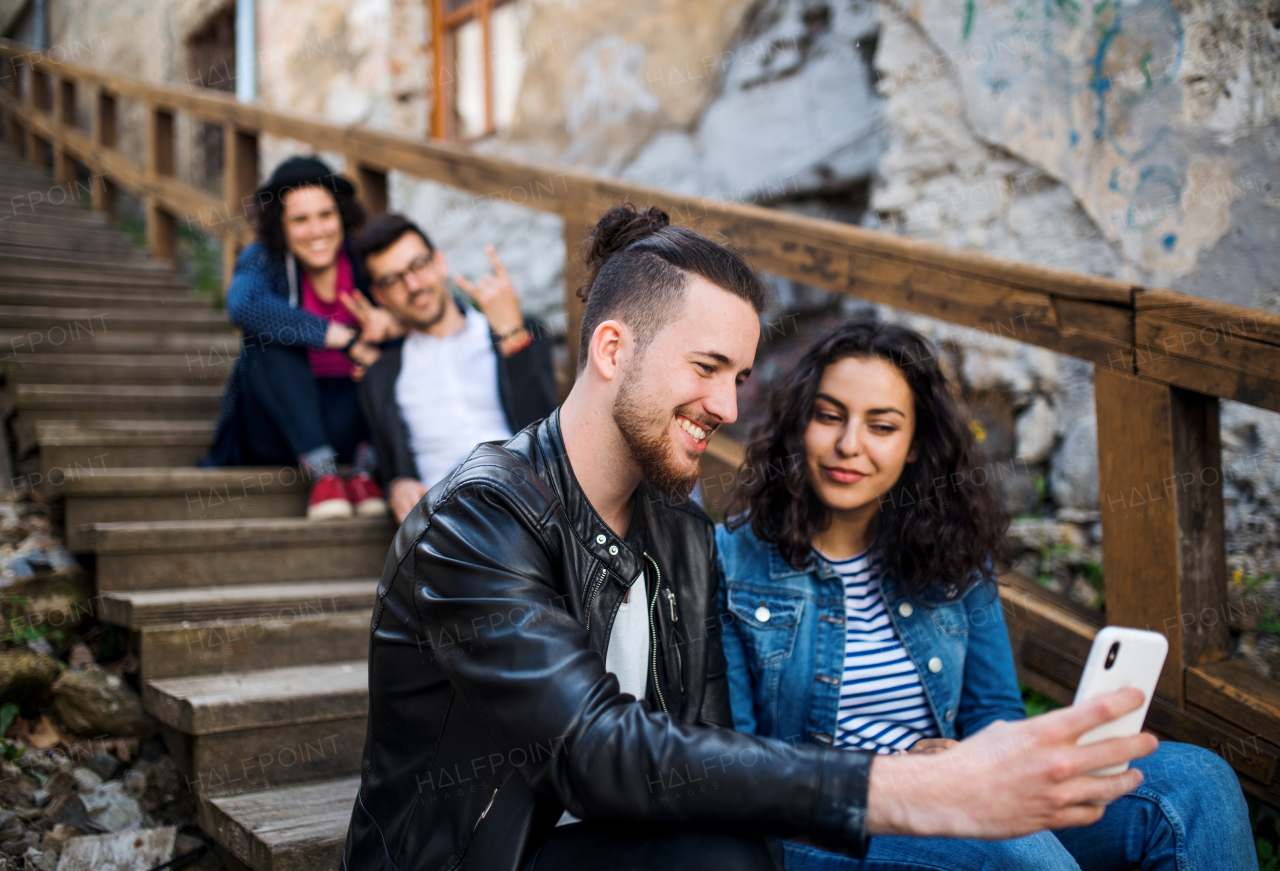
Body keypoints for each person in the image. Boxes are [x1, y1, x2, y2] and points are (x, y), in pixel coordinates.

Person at [343, 206, 1158, 871]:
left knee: (1178, 790)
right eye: (707, 367)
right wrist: (910, 786)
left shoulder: (678, 529)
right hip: (473, 859)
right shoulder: (479, 520)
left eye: (738, 376)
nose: (730, 406)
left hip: (621, 842)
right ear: (612, 347)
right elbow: (592, 751)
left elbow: (704, 752)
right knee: (723, 859)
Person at [716, 319, 1256, 870]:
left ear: (914, 447)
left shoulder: (950, 550)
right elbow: (739, 760)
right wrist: (905, 774)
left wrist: (970, 761)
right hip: (820, 828)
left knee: (1196, 784)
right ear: (798, 425)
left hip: (959, 795)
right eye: (829, 416)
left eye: (882, 427)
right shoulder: (732, 561)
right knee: (1017, 854)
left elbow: (993, 713)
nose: (849, 445)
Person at [205, 156, 387, 520]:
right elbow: (243, 304)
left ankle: (367, 474)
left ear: (342, 216)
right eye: (300, 219)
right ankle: (324, 477)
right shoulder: (264, 257)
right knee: (263, 340)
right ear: (281, 226)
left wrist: (392, 323)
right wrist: (341, 337)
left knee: (402, 341)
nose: (316, 230)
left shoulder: (364, 259)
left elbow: (425, 306)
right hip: (279, 429)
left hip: (353, 418)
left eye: (326, 215)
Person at [348, 214, 558, 523]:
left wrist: (512, 339)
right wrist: (397, 484)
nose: (414, 285)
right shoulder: (380, 377)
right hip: (448, 521)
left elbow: (551, 441)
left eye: (418, 265)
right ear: (380, 296)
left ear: (440, 262)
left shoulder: (513, 331)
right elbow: (391, 466)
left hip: (528, 503)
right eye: (394, 280)